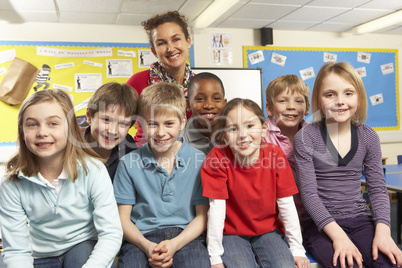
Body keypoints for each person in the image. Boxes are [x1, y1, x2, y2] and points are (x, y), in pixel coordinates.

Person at [293, 62, 402, 268]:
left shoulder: (368, 136)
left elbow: (378, 190)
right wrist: (339, 237)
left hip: (361, 219)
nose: (340, 101)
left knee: (390, 264)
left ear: (359, 97)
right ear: (318, 99)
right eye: (330, 94)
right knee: (347, 264)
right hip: (320, 226)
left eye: (348, 93)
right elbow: (309, 195)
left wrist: (384, 232)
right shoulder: (306, 137)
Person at [0, 89, 123, 267]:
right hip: (39, 254)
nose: (42, 132)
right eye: (32, 124)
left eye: (53, 123)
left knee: (84, 254)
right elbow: (17, 251)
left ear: (70, 128)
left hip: (82, 246)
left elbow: (111, 233)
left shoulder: (94, 171)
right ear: (22, 131)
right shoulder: (11, 183)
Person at [201, 98, 310, 268]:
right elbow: (216, 210)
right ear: (224, 136)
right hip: (231, 234)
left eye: (250, 126)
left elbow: (286, 204)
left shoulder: (275, 155)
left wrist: (297, 249)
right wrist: (215, 257)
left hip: (268, 231)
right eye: (233, 128)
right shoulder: (217, 158)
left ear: (264, 128)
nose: (243, 135)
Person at [113, 82, 210, 268]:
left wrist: (174, 244)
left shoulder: (199, 160)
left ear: (182, 122)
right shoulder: (128, 163)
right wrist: (147, 246)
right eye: (152, 124)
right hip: (141, 238)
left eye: (169, 124)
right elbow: (123, 219)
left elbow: (202, 216)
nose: (160, 132)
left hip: (186, 236)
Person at [127, 11, 194, 147]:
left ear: (188, 41)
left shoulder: (200, 85)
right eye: (161, 43)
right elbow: (119, 122)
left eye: (176, 39)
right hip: (144, 155)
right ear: (154, 51)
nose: (170, 48)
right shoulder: (138, 82)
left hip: (188, 156)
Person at [84, 82, 138, 181]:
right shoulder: (69, 150)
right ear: (89, 116)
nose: (113, 131)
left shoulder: (129, 148)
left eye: (123, 124)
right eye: (106, 120)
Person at [264, 74, 310, 171]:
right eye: (282, 101)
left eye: (298, 101)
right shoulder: (262, 136)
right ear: (269, 108)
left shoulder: (313, 135)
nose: (291, 106)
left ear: (307, 109)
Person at [183, 72, 227, 155]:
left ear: (224, 104)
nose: (209, 105)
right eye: (200, 99)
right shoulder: (178, 140)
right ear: (188, 104)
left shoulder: (233, 136)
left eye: (216, 98)